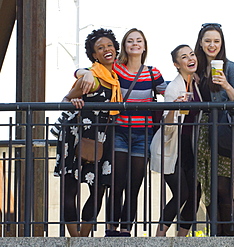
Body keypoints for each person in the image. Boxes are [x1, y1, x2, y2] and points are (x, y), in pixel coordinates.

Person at [75, 28, 167, 237]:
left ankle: (126, 230)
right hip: (119, 132)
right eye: (130, 41)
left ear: (144, 46)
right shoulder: (116, 68)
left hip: (143, 136)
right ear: (124, 46)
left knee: (134, 186)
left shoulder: (153, 73)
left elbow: (169, 91)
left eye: (139, 41)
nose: (135, 44)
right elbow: (82, 71)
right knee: (115, 183)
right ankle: (111, 229)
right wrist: (86, 72)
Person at [54, 28, 122, 237]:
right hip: (77, 135)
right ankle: (75, 239)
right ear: (94, 55)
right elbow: (67, 98)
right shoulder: (92, 76)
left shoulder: (113, 76)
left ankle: (82, 238)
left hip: (101, 137)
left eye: (109, 45)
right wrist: (71, 98)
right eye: (100, 48)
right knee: (70, 188)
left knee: (98, 189)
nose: (106, 50)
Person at [194, 23, 234, 236]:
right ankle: (213, 235)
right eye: (208, 41)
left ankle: (229, 237)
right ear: (200, 43)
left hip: (224, 133)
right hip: (201, 133)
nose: (212, 45)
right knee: (207, 187)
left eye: (216, 41)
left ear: (222, 43)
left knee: (223, 187)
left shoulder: (229, 67)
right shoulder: (194, 66)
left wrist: (225, 85)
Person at [150, 44, 202, 237]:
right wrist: (174, 108)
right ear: (176, 64)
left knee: (195, 195)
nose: (190, 59)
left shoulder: (195, 82)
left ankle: (182, 238)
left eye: (192, 54)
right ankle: (160, 235)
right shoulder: (174, 88)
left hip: (189, 147)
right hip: (172, 147)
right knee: (182, 194)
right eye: (184, 57)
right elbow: (167, 129)